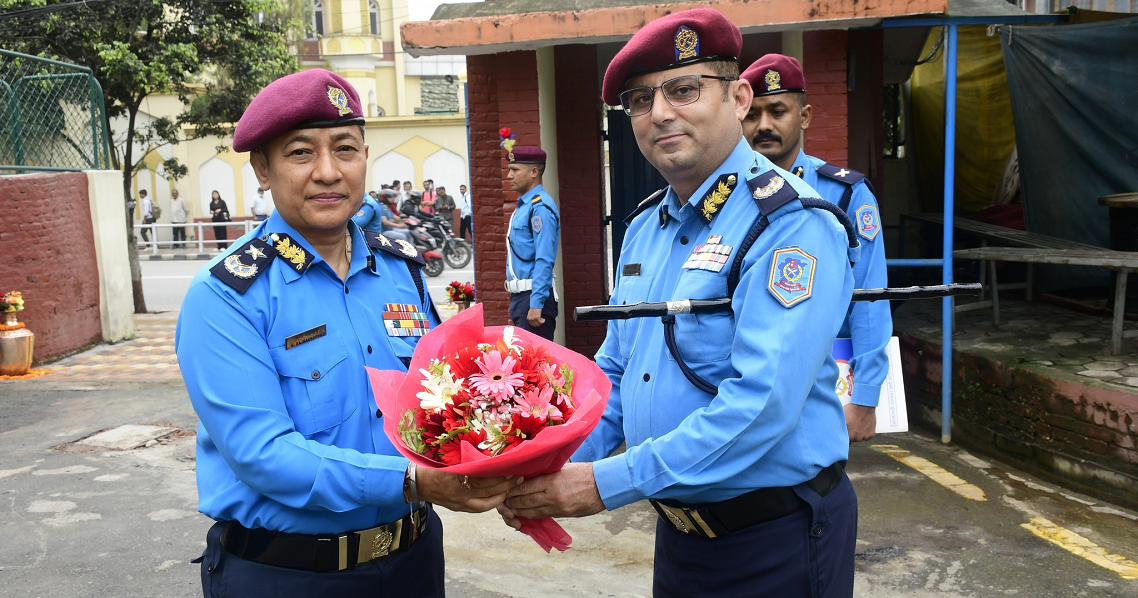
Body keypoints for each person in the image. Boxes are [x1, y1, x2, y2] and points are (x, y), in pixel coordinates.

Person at [498, 9, 859, 597]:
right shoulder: (645, 228)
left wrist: (602, 482)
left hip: (775, 539)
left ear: (739, 98)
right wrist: (546, 469)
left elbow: (762, 405)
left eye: (685, 89)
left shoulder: (789, 224)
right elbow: (613, 370)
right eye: (640, 100)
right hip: (678, 536)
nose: (660, 112)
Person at [176, 68, 518, 598]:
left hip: (414, 559)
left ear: (365, 158)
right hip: (289, 576)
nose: (328, 172)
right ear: (262, 169)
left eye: (345, 149)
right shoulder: (227, 294)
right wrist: (413, 482)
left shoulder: (400, 269)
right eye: (300, 153)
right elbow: (262, 453)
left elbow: (437, 398)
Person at [741, 54, 892, 442]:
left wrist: (866, 395)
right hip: (740, 384)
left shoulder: (844, 195)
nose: (764, 126)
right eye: (752, 114)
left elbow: (869, 296)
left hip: (823, 379)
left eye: (778, 111)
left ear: (804, 116)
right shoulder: (727, 197)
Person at [503, 146, 560, 341]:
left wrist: (536, 303)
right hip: (521, 298)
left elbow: (544, 258)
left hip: (534, 300)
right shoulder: (525, 206)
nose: (509, 175)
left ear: (534, 172)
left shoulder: (540, 208)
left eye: (515, 170)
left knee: (533, 368)